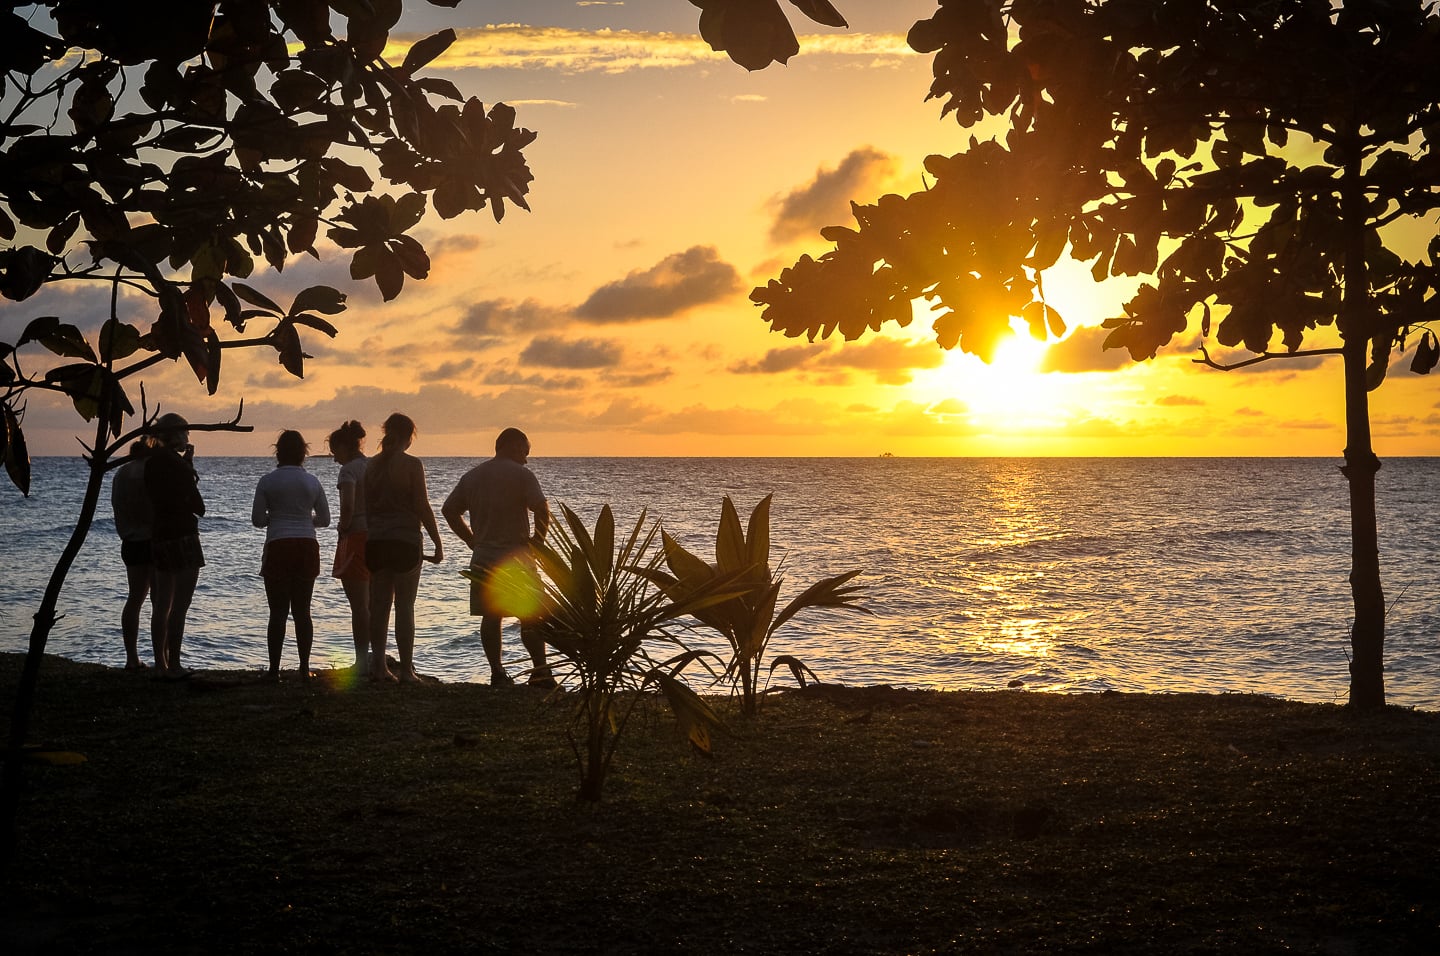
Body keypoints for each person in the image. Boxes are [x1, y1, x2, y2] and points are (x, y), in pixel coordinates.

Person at [442, 427, 552, 688]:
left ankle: (497, 672)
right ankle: (541, 670)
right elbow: (542, 509)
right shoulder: (523, 475)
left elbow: (449, 510)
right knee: (530, 615)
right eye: (525, 452)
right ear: (513, 447)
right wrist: (538, 542)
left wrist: (471, 540)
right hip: (517, 557)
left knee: (491, 616)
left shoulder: (472, 477)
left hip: (484, 557)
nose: (526, 459)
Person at [363, 413, 443, 682]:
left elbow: (366, 508)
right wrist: (437, 540)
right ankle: (407, 670)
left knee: (379, 605)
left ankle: (378, 667)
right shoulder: (412, 464)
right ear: (409, 437)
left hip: (376, 542)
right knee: (405, 606)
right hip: (405, 541)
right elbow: (422, 505)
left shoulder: (370, 466)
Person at [252, 430, 331, 680]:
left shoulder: (267, 481)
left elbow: (257, 520)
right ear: (303, 453)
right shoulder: (313, 482)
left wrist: (274, 518)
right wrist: (305, 520)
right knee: (302, 611)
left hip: (278, 543)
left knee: (277, 612)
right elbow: (326, 520)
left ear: (278, 452)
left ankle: (274, 670)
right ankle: (304, 668)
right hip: (306, 543)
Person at [145, 413, 205, 678]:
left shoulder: (152, 462)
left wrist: (186, 465)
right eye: (185, 433)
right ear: (176, 435)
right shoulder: (178, 465)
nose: (187, 438)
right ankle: (176, 664)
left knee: (161, 603)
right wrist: (189, 469)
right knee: (180, 604)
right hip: (183, 534)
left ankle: (160, 664)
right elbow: (197, 505)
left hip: (160, 532)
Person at [327, 420, 370, 672]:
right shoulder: (374, 466)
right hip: (379, 536)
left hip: (356, 537)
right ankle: (376, 657)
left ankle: (361, 660)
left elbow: (347, 508)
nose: (334, 460)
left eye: (335, 453)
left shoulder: (348, 472)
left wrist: (342, 529)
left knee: (359, 606)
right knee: (376, 603)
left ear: (344, 447)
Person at [111, 437, 157, 670]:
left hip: (130, 540)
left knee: (134, 599)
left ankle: (131, 658)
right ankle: (164, 658)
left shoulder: (121, 473)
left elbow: (116, 505)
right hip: (155, 539)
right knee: (160, 601)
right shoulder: (153, 470)